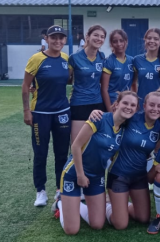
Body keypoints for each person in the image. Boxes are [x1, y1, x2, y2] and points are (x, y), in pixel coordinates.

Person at [52, 91, 139, 235]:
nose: (128, 107)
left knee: (97, 224)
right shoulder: (99, 118)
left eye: (133, 105)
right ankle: (61, 202)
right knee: (72, 230)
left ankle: (74, 204)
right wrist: (80, 175)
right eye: (125, 103)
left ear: (136, 109)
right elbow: (75, 146)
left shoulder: (124, 130)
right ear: (116, 104)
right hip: (74, 174)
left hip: (96, 177)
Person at [22, 25, 71, 207]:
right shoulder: (37, 58)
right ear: (47, 39)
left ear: (65, 40)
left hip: (62, 113)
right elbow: (25, 85)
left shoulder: (66, 58)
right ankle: (40, 191)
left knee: (61, 154)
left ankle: (60, 189)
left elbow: (69, 79)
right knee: (40, 153)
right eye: (53, 38)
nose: (57, 41)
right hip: (40, 113)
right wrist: (27, 111)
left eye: (61, 38)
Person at [105, 91, 160, 230]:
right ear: (144, 106)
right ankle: (106, 205)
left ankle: (119, 205)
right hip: (119, 176)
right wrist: (96, 113)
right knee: (120, 224)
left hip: (139, 177)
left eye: (159, 106)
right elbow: (110, 119)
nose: (155, 109)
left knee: (143, 218)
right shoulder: (132, 118)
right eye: (151, 105)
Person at [68, 25, 107, 144]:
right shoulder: (74, 58)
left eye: (102, 37)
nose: (99, 39)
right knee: (77, 144)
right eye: (96, 35)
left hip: (98, 104)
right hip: (79, 104)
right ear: (87, 37)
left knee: (95, 144)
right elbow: (67, 79)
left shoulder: (102, 57)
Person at [133, 28, 160, 106]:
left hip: (159, 104)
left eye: (156, 39)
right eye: (149, 38)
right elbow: (133, 83)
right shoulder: (137, 60)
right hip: (142, 103)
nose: (152, 41)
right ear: (145, 40)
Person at [101, 29, 134, 112]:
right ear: (111, 44)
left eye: (121, 41)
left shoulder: (132, 61)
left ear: (126, 42)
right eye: (115, 41)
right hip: (113, 103)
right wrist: (110, 110)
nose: (119, 44)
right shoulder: (109, 61)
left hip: (127, 103)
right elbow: (104, 89)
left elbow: (134, 84)